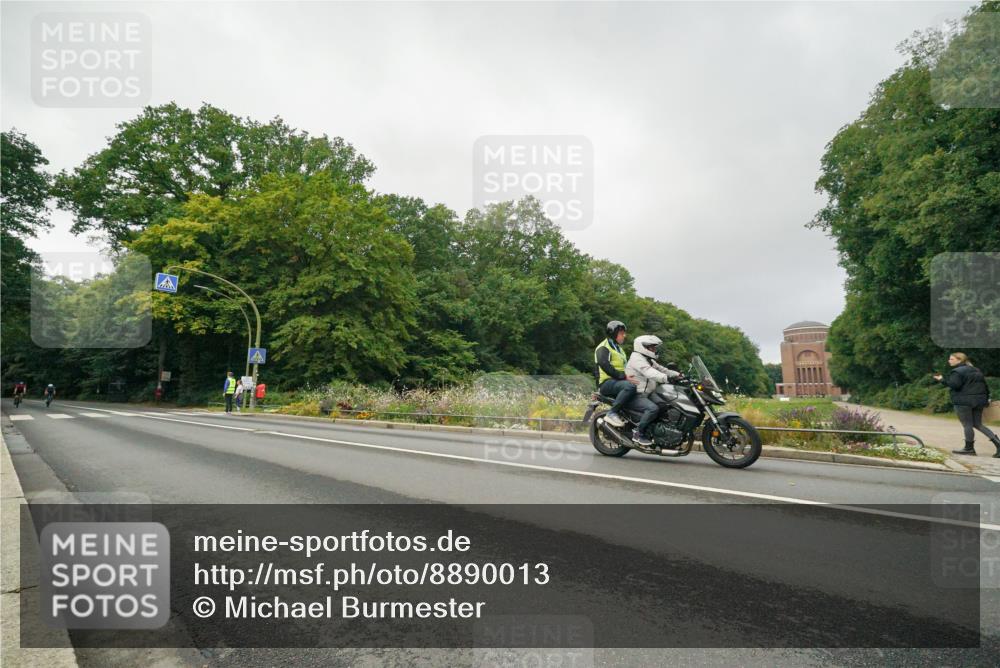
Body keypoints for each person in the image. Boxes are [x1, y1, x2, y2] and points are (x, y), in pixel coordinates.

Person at [933, 353, 1000, 458]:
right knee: (978, 424)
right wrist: (986, 399)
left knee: (967, 425)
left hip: (964, 402)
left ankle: (969, 449)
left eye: (951, 359)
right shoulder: (976, 370)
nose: (949, 361)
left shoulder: (957, 371)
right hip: (979, 401)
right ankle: (998, 444)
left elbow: (955, 385)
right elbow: (985, 386)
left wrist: (941, 380)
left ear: (959, 360)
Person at [625, 334, 681, 446]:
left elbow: (662, 369)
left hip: (648, 393)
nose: (654, 349)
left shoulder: (648, 359)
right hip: (636, 394)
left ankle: (656, 432)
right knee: (653, 409)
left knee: (666, 405)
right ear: (643, 347)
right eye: (652, 347)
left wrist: (679, 375)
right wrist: (666, 378)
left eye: (654, 347)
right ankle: (638, 432)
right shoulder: (637, 359)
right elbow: (649, 372)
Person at [593, 321, 637, 427]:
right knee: (630, 387)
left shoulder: (620, 350)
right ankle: (612, 413)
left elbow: (626, 367)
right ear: (614, 333)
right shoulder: (603, 347)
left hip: (617, 382)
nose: (624, 336)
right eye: (622, 333)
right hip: (606, 383)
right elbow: (605, 365)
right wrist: (624, 376)